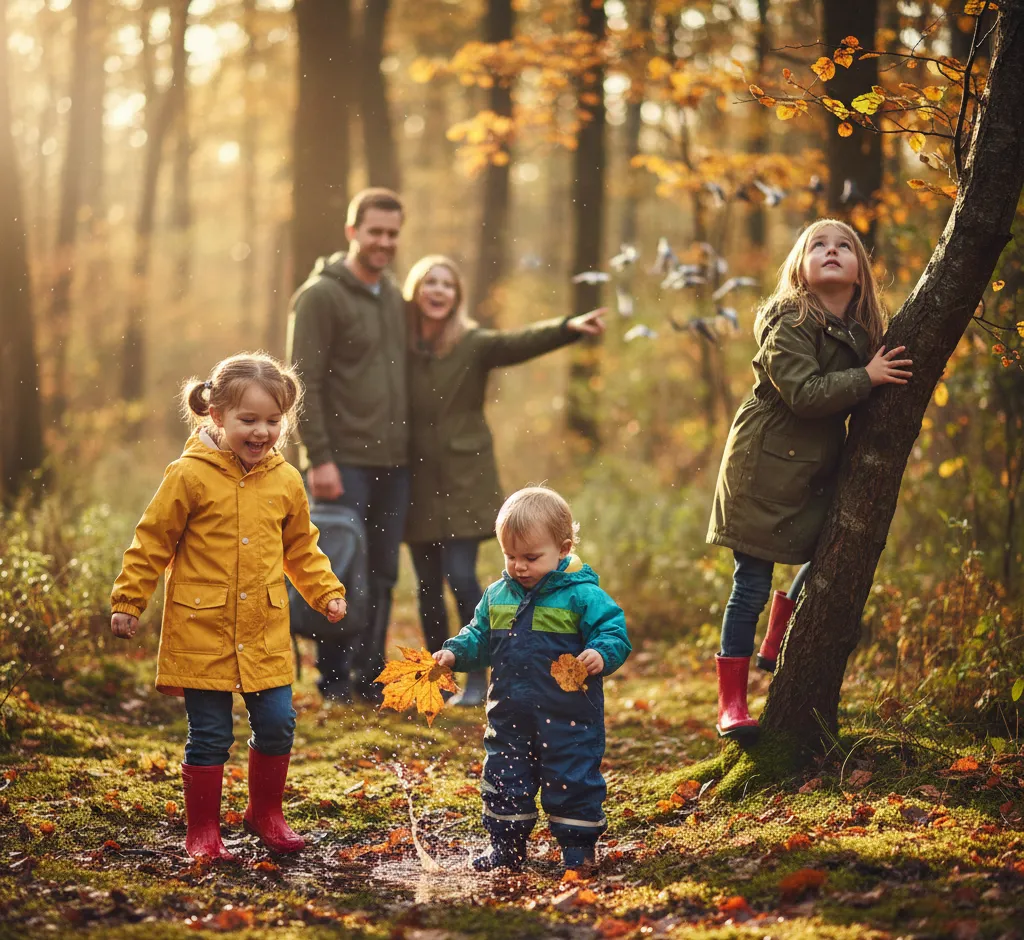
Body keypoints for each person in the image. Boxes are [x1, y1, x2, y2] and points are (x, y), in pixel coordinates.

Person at [109, 353, 347, 860]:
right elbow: (153, 540)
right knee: (211, 733)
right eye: (249, 420)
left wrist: (325, 590)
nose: (262, 432)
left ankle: (266, 813)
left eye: (273, 422)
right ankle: (203, 831)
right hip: (202, 628)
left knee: (280, 721)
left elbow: (301, 546)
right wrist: (129, 599)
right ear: (216, 416)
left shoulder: (285, 481)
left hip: (263, 628)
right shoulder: (188, 475)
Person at [706, 219, 913, 740]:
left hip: (816, 468)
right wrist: (866, 377)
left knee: (831, 551)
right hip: (762, 464)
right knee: (750, 583)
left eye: (844, 246)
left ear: (860, 273)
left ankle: (777, 640)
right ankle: (731, 703)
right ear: (799, 267)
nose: (831, 251)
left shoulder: (864, 331)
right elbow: (804, 392)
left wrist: (869, 370)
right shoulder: (789, 320)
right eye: (817, 245)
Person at [405, 255, 607, 707]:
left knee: (460, 575)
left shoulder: (472, 342)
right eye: (429, 283)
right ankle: (437, 677)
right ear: (414, 293)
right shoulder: (401, 347)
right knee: (425, 585)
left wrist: (568, 326)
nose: (438, 291)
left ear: (457, 296)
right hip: (416, 477)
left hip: (464, 477)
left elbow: (518, 342)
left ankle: (479, 675)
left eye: (447, 284)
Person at [433, 487, 631, 872]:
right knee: (505, 778)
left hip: (570, 715)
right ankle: (506, 848)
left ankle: (578, 851)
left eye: (531, 557)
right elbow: (479, 636)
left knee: (572, 778)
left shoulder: (582, 595)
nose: (519, 566)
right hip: (509, 713)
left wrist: (601, 653)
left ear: (563, 549)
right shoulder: (497, 596)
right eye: (510, 556)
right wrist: (455, 652)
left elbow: (613, 631)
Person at [287, 188, 408, 703]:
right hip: (341, 462)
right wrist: (319, 457)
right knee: (336, 568)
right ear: (352, 231)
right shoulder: (320, 295)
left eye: (392, 234)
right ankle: (333, 680)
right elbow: (301, 381)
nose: (384, 242)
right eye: (374, 231)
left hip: (395, 461)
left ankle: (370, 677)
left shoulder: (393, 297)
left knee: (381, 571)